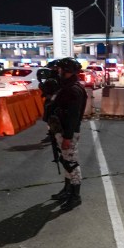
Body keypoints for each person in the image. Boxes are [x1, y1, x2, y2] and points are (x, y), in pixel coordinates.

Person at [48, 58, 88, 212]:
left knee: (71, 162)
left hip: (68, 132)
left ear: (67, 71)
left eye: (60, 69)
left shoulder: (73, 89)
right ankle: (67, 189)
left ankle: (75, 195)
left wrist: (67, 137)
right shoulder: (66, 87)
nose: (58, 71)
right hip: (62, 130)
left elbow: (73, 116)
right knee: (66, 160)